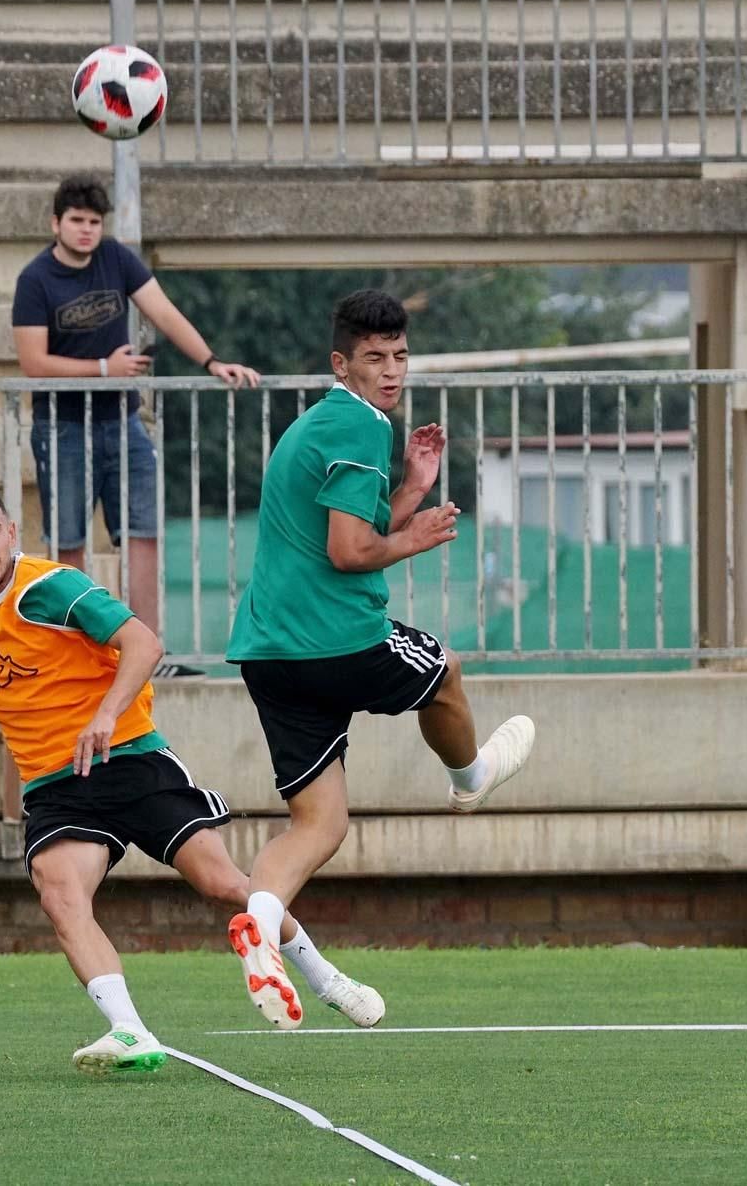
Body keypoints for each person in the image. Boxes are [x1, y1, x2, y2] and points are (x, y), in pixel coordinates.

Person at [0, 483, 385, 1073]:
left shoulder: (52, 589)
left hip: (132, 759)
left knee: (224, 883)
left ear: (12, 532)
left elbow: (144, 642)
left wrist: (107, 715)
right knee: (60, 895)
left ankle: (327, 978)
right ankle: (130, 1032)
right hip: (56, 789)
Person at [224, 290, 535, 1030]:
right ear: (342, 363)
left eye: (399, 356)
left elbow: (344, 530)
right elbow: (351, 552)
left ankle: (259, 928)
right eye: (374, 358)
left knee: (319, 824)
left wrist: (412, 491)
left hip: (270, 652)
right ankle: (471, 779)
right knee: (447, 674)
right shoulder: (359, 425)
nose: (391, 371)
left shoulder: (321, 425)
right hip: (339, 639)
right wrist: (419, 534)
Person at [12, 173, 260, 676]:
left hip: (121, 423)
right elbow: (33, 361)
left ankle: (146, 653)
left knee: (142, 535)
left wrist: (212, 362)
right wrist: (105, 370)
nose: (86, 231)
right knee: (68, 543)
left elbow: (164, 314)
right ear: (56, 223)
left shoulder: (117, 259)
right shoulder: (35, 279)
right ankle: (78, 655)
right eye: (77, 221)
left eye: (94, 222)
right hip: (62, 428)